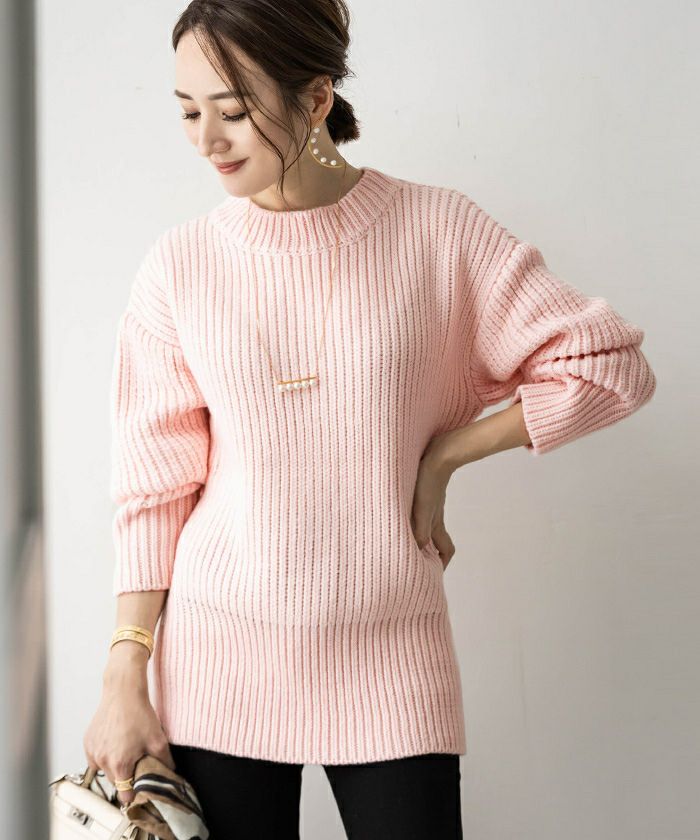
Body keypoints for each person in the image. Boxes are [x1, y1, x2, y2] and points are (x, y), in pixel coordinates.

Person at [83, 1, 657, 837]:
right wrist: (124, 674)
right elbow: (154, 486)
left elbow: (610, 365)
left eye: (232, 112)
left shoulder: (439, 233)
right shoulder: (180, 267)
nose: (206, 140)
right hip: (219, 663)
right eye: (187, 111)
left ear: (317, 99)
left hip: (394, 657)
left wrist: (448, 453)